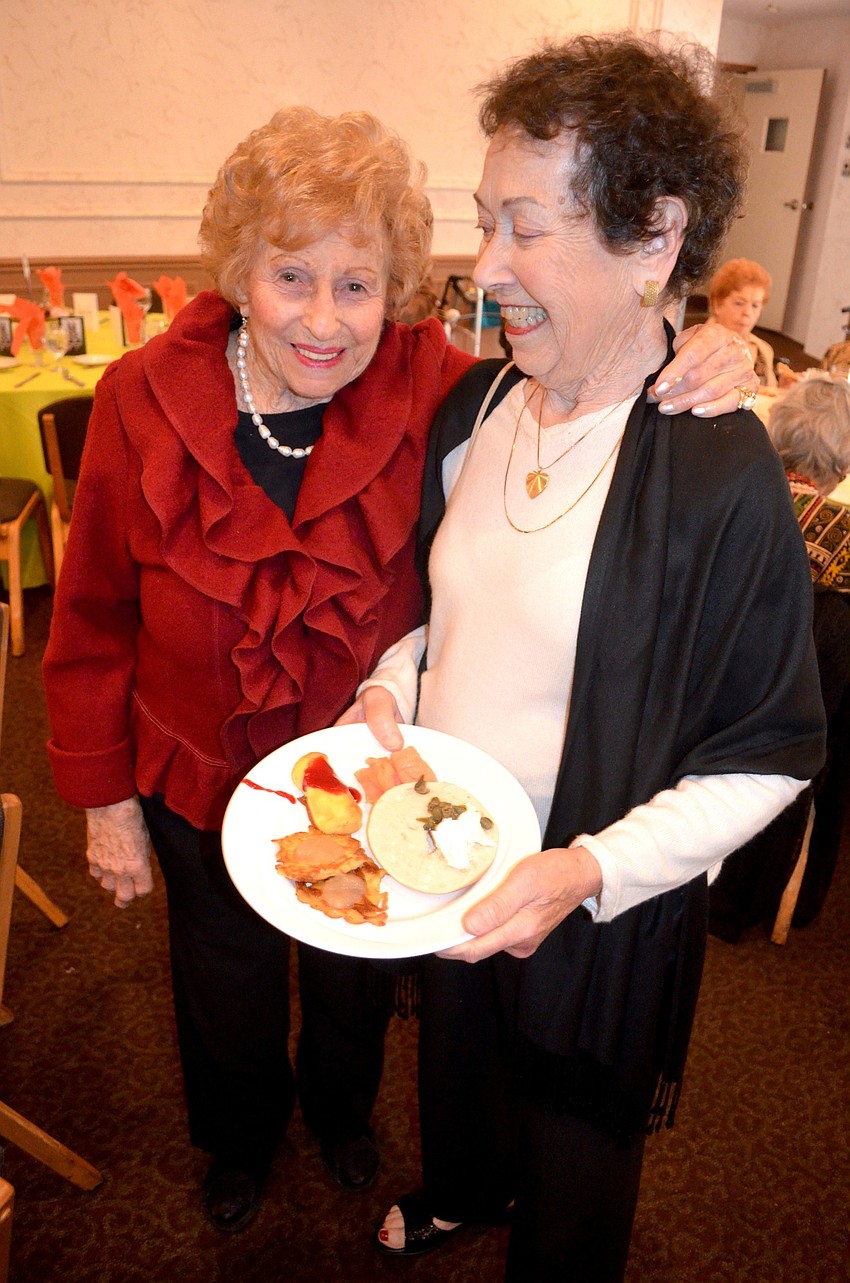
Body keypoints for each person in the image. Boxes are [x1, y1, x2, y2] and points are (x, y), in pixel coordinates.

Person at [41, 104, 755, 1236]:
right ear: (239, 271)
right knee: (220, 977)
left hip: (370, 776)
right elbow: (87, 615)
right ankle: (237, 1136)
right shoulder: (141, 396)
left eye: (358, 285)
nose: (324, 320)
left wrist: (712, 342)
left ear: (399, 287)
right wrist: (104, 800)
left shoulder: (443, 387)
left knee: (353, 979)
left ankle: (339, 1112)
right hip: (194, 766)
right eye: (290, 277)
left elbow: (592, 373)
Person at [342, 35, 826, 1282]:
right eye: (482, 220)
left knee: (571, 1160)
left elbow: (770, 752)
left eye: (523, 225)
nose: (485, 263)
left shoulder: (716, 477)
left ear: (653, 238)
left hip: (591, 905)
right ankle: (460, 1187)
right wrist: (390, 693)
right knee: (455, 1054)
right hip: (450, 847)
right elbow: (448, 615)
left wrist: (583, 870)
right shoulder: (482, 408)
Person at [709, 257, 800, 389]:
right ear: (717, 304)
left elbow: (766, 395)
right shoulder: (694, 345)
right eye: (739, 303)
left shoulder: (764, 350)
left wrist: (783, 390)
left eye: (755, 305)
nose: (747, 312)